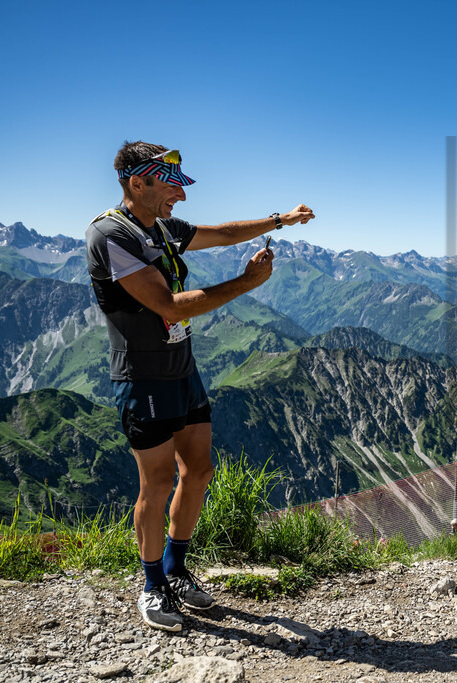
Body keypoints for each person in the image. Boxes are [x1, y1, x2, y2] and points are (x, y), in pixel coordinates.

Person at [85, 141, 315, 632]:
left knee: (200, 470)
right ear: (138, 182)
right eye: (172, 186)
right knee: (157, 482)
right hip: (143, 376)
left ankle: (175, 569)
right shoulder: (110, 234)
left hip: (182, 368)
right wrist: (245, 284)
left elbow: (224, 233)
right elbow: (169, 306)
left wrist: (281, 220)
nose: (181, 197)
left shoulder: (162, 228)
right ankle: (152, 585)